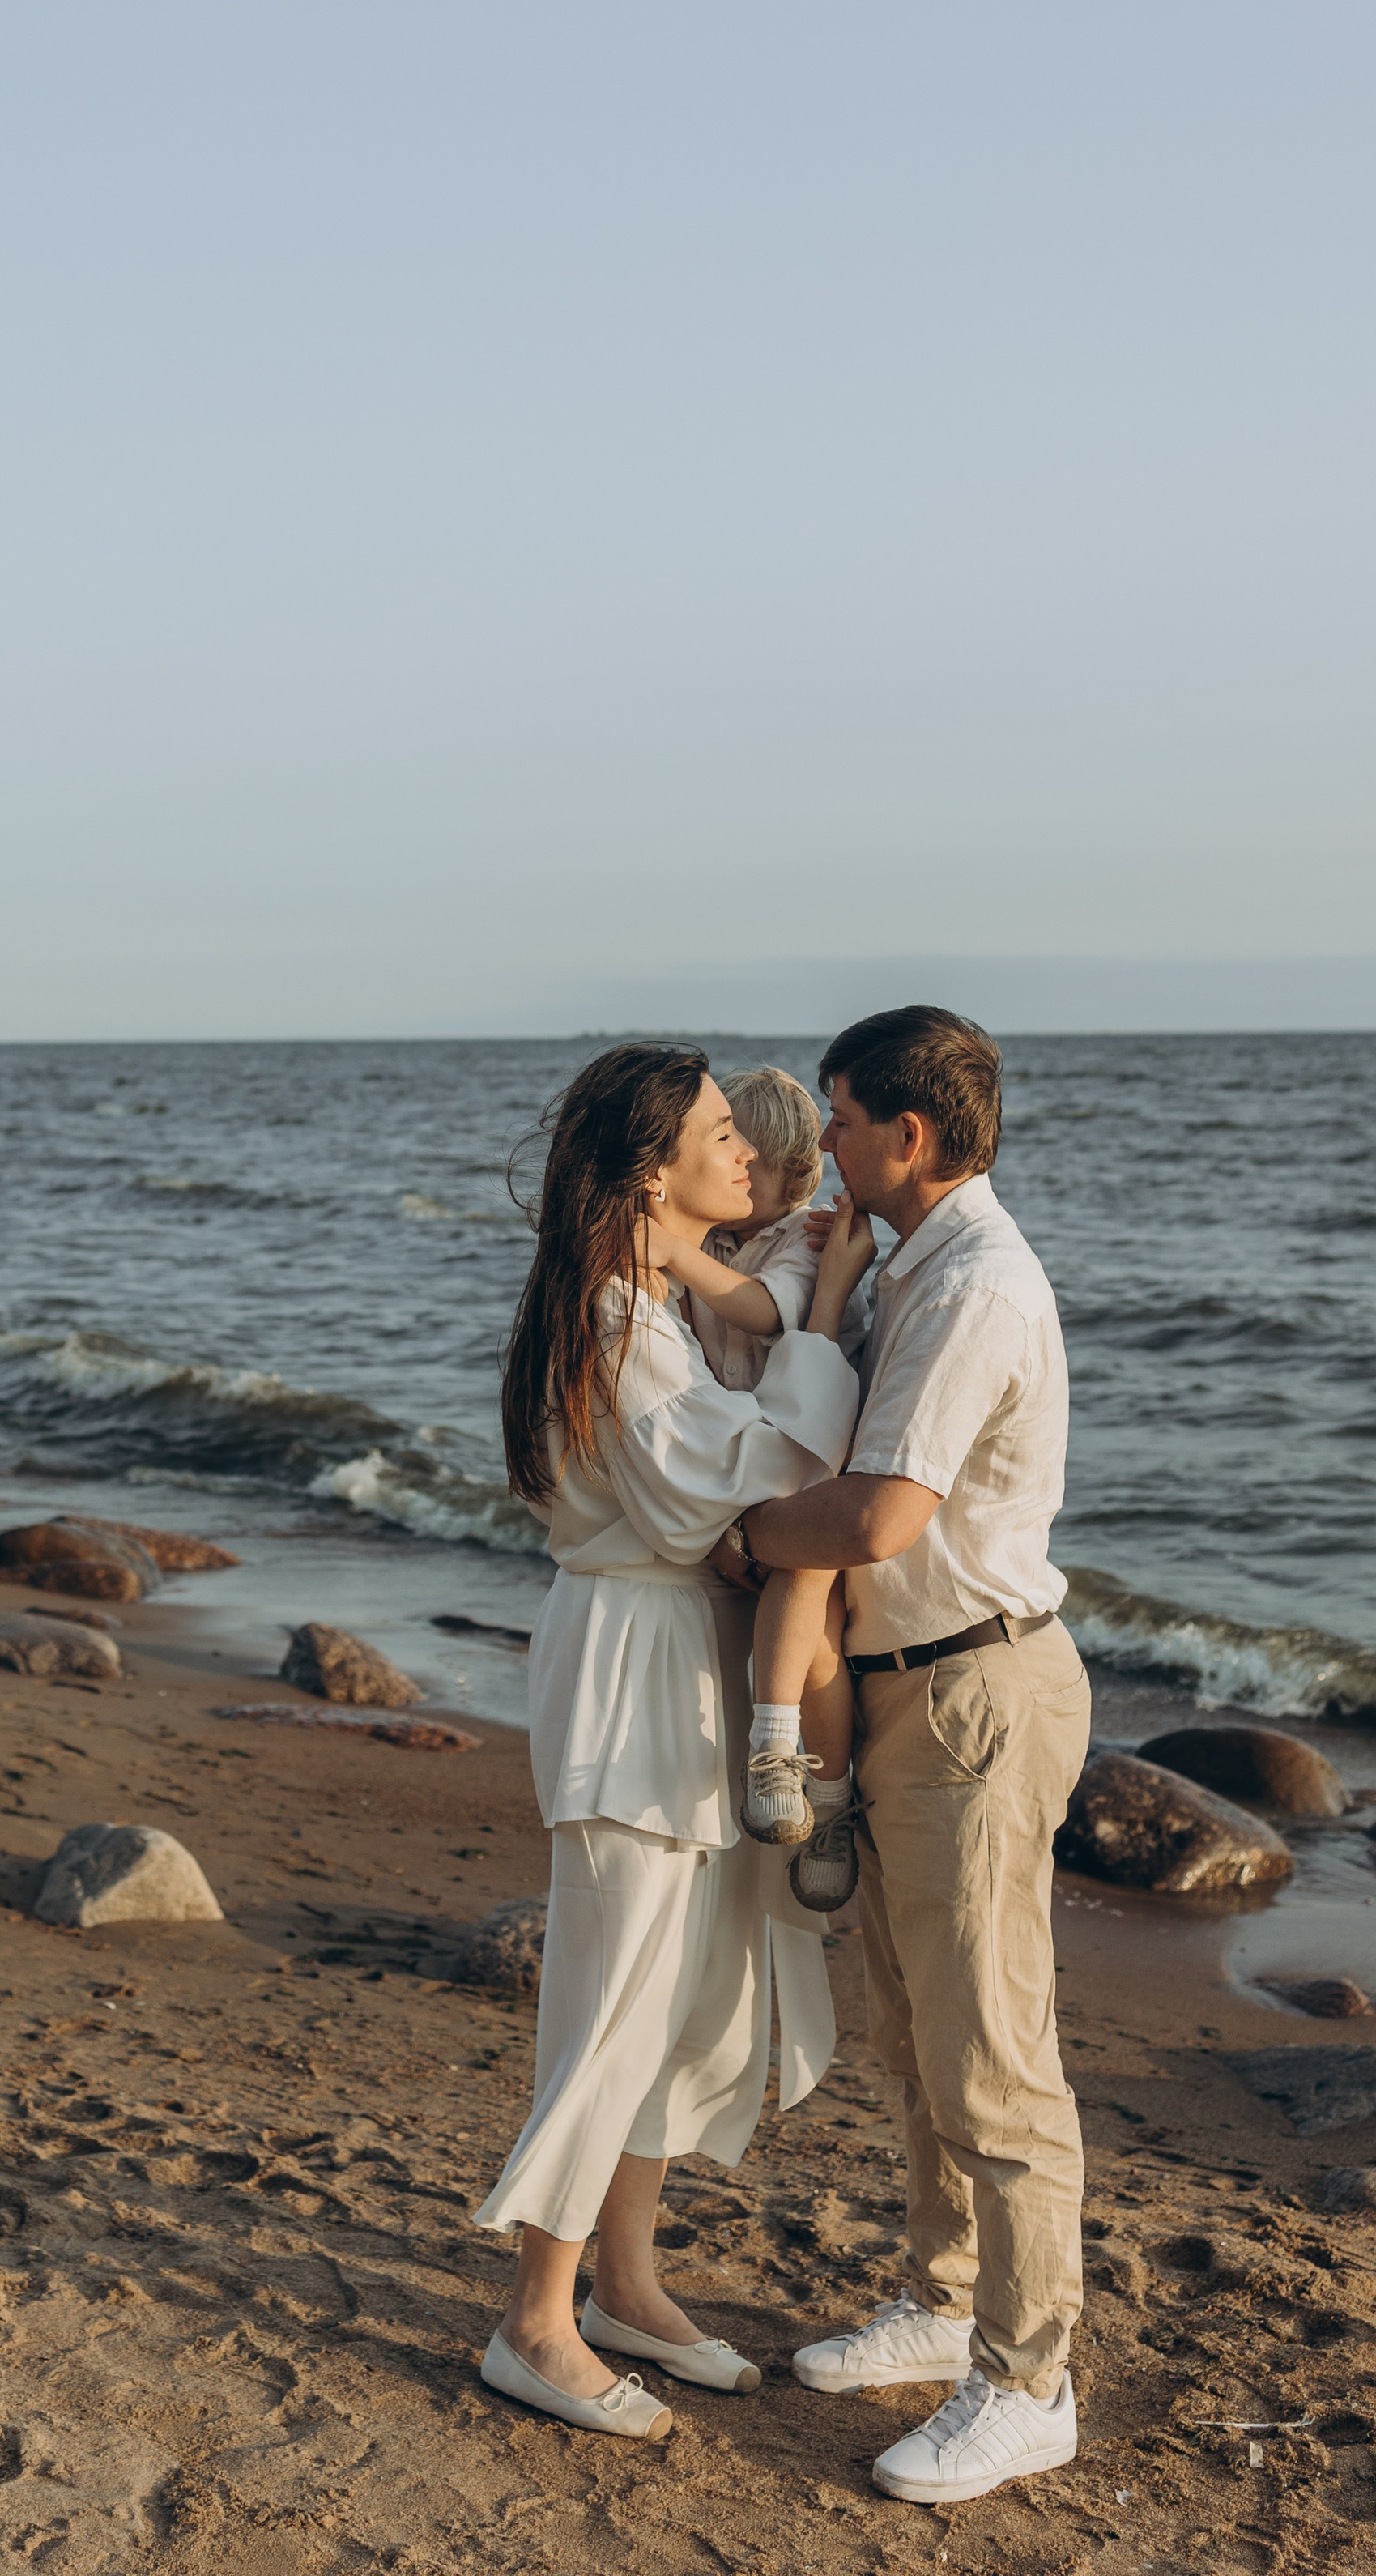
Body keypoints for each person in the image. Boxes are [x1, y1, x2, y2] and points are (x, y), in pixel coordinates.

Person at [475, 1043, 876, 2442]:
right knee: (609, 2004)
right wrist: (820, 1313)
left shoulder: (648, 1300)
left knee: (685, 1993)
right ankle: (533, 2320)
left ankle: (623, 2282)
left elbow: (731, 1475)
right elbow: (750, 1466)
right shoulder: (612, 1316)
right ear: (656, 1168)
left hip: (680, 1661)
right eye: (720, 1133)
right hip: (632, 1670)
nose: (748, 1156)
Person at [740, 1005, 1091, 2510]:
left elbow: (880, 1516)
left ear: (912, 1134)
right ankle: (941, 2301)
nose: (823, 1145)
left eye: (838, 1119)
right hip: (895, 1693)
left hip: (972, 1694)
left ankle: (1029, 2383)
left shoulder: (979, 1291)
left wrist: (737, 1538)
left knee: (994, 2055)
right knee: (914, 2030)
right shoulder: (905, 1265)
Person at [661, 1065, 867, 1902]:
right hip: (745, 1458)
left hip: (813, 1451)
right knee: (793, 1629)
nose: (737, 1161)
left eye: (749, 1151)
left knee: (811, 1619)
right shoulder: (709, 1243)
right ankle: (792, 1776)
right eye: (725, 1144)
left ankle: (812, 1788)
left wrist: (669, 1249)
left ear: (787, 1171)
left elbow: (763, 1312)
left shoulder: (802, 1243)